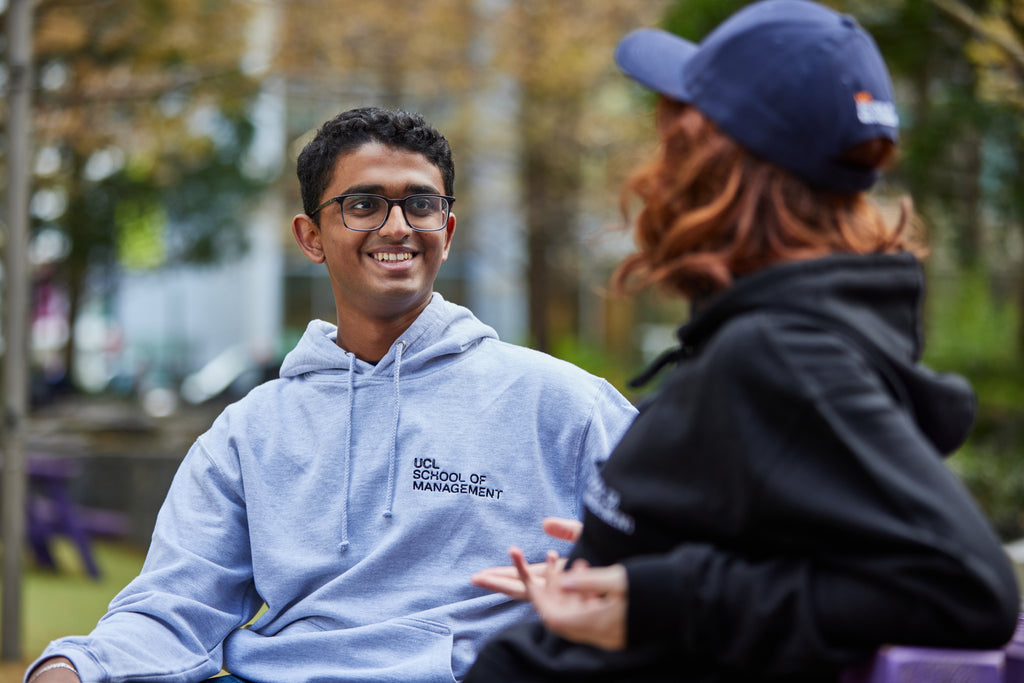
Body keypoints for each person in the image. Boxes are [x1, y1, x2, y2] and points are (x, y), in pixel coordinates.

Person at [466, 2, 1021, 681]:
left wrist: (667, 597)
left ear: (711, 160)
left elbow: (967, 584)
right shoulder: (789, 335)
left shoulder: (784, 352)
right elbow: (788, 549)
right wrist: (624, 571)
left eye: (673, 133)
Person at [24, 106, 637, 683]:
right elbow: (177, 604)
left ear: (446, 231)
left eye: (420, 204)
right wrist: (77, 667)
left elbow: (690, 554)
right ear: (311, 237)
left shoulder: (563, 404)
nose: (397, 226)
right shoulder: (250, 432)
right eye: (363, 204)